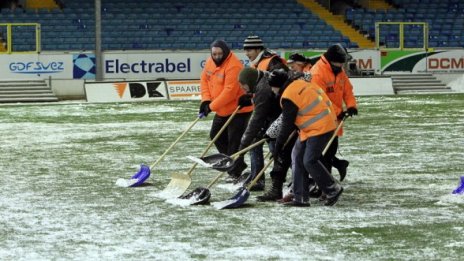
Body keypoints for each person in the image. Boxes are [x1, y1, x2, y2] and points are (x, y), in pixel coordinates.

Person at [270, 69, 343, 207]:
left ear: (276, 86)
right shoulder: (298, 84)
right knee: (297, 157)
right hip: (315, 126)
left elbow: (287, 125)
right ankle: (300, 197)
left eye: (272, 87)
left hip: (320, 127)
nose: (272, 90)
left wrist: (278, 147)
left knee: (309, 160)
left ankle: (332, 189)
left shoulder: (288, 96)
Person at [236, 67, 302, 201]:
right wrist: (250, 100)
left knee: (282, 153)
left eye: (244, 86)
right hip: (279, 120)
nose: (242, 89)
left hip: (289, 122)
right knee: (280, 152)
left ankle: (301, 182)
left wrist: (242, 147)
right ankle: (266, 182)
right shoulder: (264, 80)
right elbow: (269, 102)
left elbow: (258, 118)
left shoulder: (266, 88)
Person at [199, 40, 253, 180]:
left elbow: (229, 92)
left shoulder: (233, 66)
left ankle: (234, 171)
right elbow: (204, 80)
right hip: (222, 109)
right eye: (214, 54)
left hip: (238, 109)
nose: (217, 56)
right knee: (215, 136)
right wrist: (205, 100)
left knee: (234, 142)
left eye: (220, 54)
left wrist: (210, 107)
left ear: (226, 52)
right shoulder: (210, 62)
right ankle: (236, 165)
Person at [240, 34, 287, 190]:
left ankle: (281, 180)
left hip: (277, 113)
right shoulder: (257, 63)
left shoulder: (273, 62)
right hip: (266, 110)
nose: (246, 53)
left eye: (250, 50)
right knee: (255, 142)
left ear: (258, 49)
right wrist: (250, 97)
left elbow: (275, 89)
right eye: (245, 50)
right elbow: (259, 88)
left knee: (276, 148)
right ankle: (257, 177)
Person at [309, 43, 358, 182]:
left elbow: (347, 90)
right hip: (319, 120)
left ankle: (325, 183)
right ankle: (323, 183)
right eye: (340, 63)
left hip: (334, 121)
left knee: (329, 152)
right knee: (320, 154)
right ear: (331, 60)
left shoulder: (339, 70)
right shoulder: (318, 73)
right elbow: (320, 99)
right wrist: (338, 111)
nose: (342, 66)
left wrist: (351, 105)